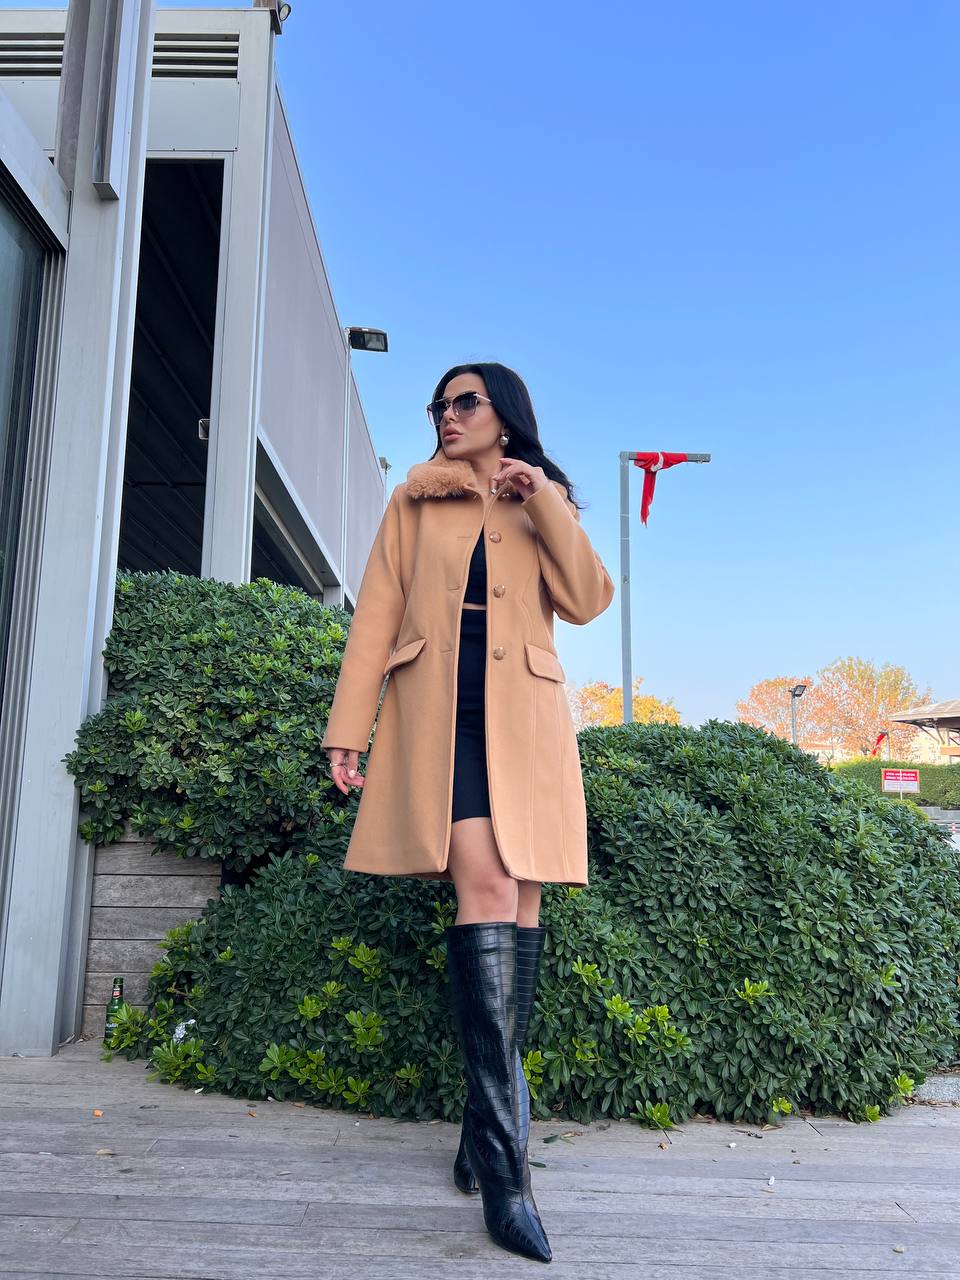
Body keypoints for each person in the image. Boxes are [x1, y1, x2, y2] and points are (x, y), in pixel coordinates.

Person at [322, 362, 615, 1263]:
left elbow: (587, 600)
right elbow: (376, 614)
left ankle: (481, 1130)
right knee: (485, 888)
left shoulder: (540, 500)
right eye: (439, 406)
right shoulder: (414, 501)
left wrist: (544, 502)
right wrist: (348, 727)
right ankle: (506, 1172)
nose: (447, 416)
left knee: (521, 905)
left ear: (505, 415)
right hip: (441, 722)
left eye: (464, 402)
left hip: (524, 729)